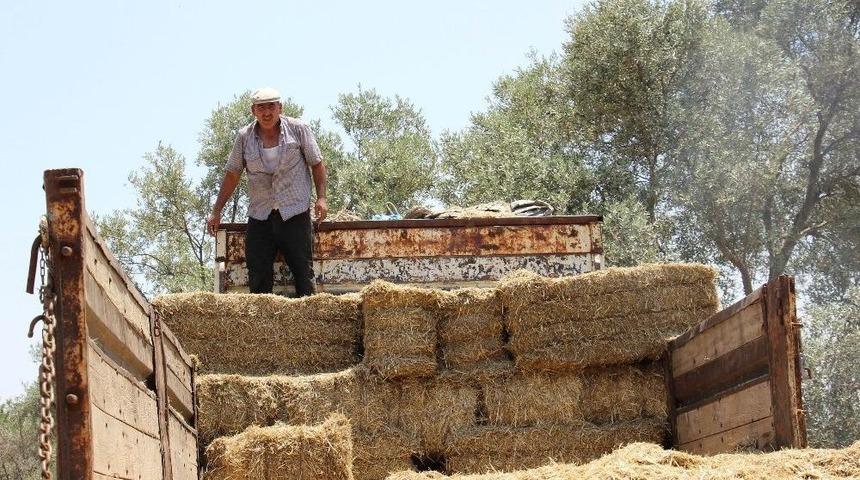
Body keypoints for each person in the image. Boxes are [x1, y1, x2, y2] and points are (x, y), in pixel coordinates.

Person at [207, 87, 328, 296]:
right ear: (253, 111)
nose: (266, 112)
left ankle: (308, 324)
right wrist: (216, 211)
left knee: (303, 272)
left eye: (271, 106)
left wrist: (322, 198)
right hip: (260, 215)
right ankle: (261, 328)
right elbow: (232, 174)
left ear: (280, 107)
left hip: (295, 212)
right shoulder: (244, 137)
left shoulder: (299, 129)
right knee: (258, 276)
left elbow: (317, 164)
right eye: (261, 107)